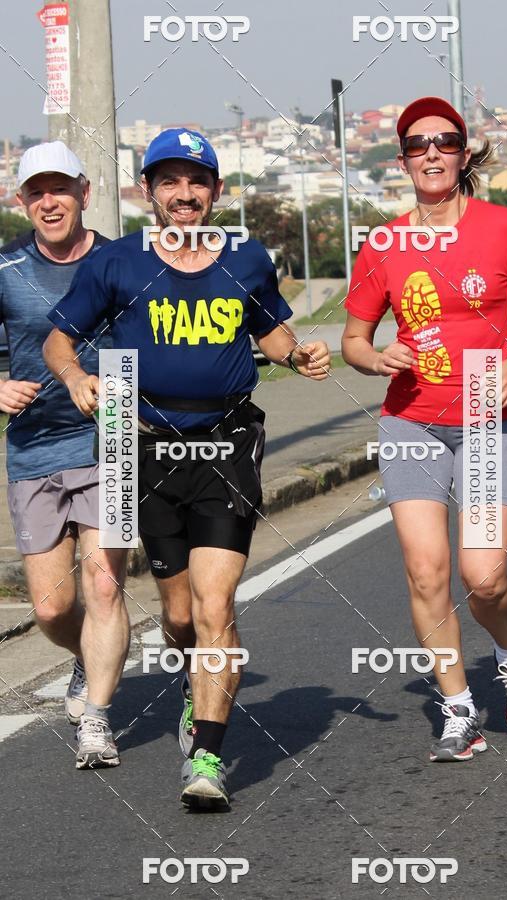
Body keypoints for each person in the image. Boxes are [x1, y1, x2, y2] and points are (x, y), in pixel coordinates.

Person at [43, 128, 331, 806]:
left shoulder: (247, 257)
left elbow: (270, 328)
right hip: (141, 443)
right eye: (168, 181)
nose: (183, 193)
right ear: (150, 192)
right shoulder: (117, 265)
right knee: (177, 615)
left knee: (215, 604)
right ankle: (189, 684)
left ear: (216, 192)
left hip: (226, 442)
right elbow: (58, 339)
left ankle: (207, 758)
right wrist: (77, 377)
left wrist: (298, 354)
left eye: (195, 181)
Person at [342, 97, 507, 761]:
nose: (433, 153)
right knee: (425, 572)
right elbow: (356, 339)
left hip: (486, 415)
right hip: (409, 416)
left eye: (445, 141)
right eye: (418, 145)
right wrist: (374, 356)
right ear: (404, 160)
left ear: (465, 153)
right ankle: (458, 708)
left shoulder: (503, 229)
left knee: (484, 576)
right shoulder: (384, 242)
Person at [0, 142, 129, 768]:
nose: (49, 202)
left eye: (60, 188)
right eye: (35, 192)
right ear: (21, 201)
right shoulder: (5, 269)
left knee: (105, 584)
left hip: (115, 443)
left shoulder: (124, 260)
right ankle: (86, 653)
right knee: (51, 605)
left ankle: (98, 722)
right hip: (33, 447)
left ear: (84, 190)